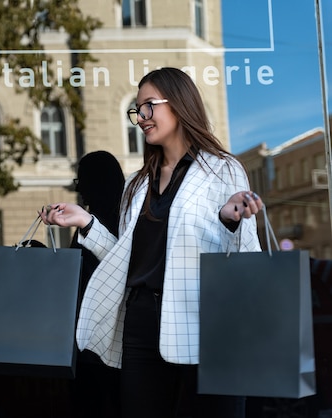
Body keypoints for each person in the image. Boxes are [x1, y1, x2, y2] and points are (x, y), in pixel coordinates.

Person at [41, 67, 263, 418]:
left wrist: (228, 220)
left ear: (178, 104)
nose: (140, 117)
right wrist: (85, 222)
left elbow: (248, 256)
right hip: (141, 322)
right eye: (137, 109)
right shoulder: (136, 184)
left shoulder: (223, 169)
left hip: (202, 319)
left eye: (149, 106)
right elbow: (124, 259)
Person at [69, 150, 124, 418]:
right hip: (114, 344)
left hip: (93, 345)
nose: (79, 190)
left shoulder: (93, 224)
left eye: (81, 182)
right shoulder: (124, 220)